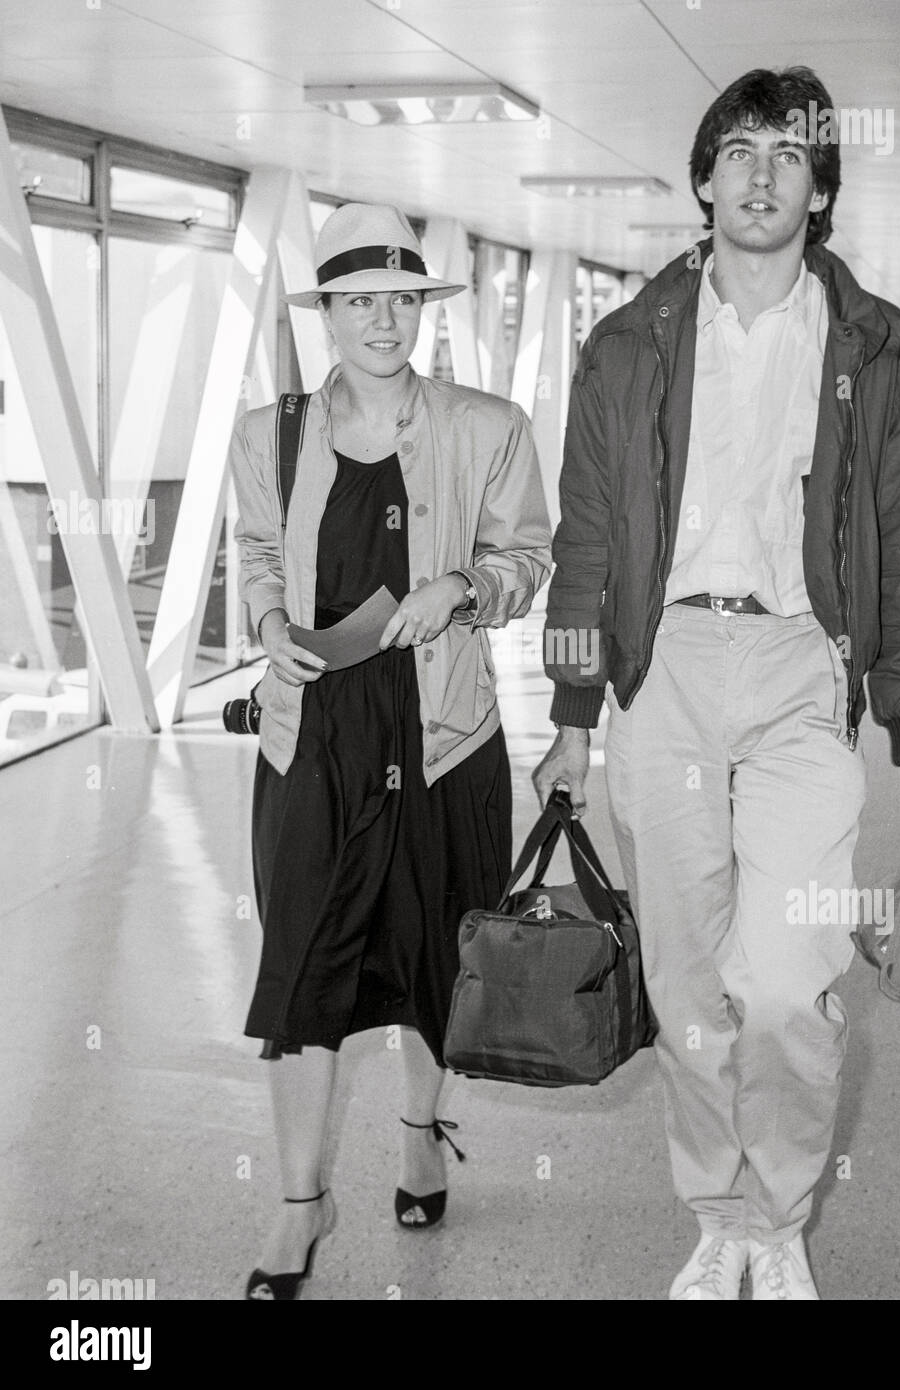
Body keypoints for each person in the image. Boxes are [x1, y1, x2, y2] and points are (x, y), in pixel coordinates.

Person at [533, 65, 900, 1301]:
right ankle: (717, 1212)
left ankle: (778, 1218)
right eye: (738, 149)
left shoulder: (877, 346)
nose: (761, 171)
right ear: (701, 179)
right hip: (660, 669)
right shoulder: (624, 344)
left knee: (786, 975)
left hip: (796, 673)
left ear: (819, 185)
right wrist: (573, 713)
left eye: (788, 152)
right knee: (683, 980)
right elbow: (585, 538)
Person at [232, 203, 551, 1300]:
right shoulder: (269, 432)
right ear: (326, 313)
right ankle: (297, 1202)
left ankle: (421, 1131)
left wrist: (462, 585)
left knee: (434, 962)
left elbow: (524, 556)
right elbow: (258, 553)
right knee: (302, 970)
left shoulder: (486, 425)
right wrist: (269, 626)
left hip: (445, 736)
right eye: (356, 299)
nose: (380, 319)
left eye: (398, 299)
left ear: (421, 308)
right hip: (311, 739)